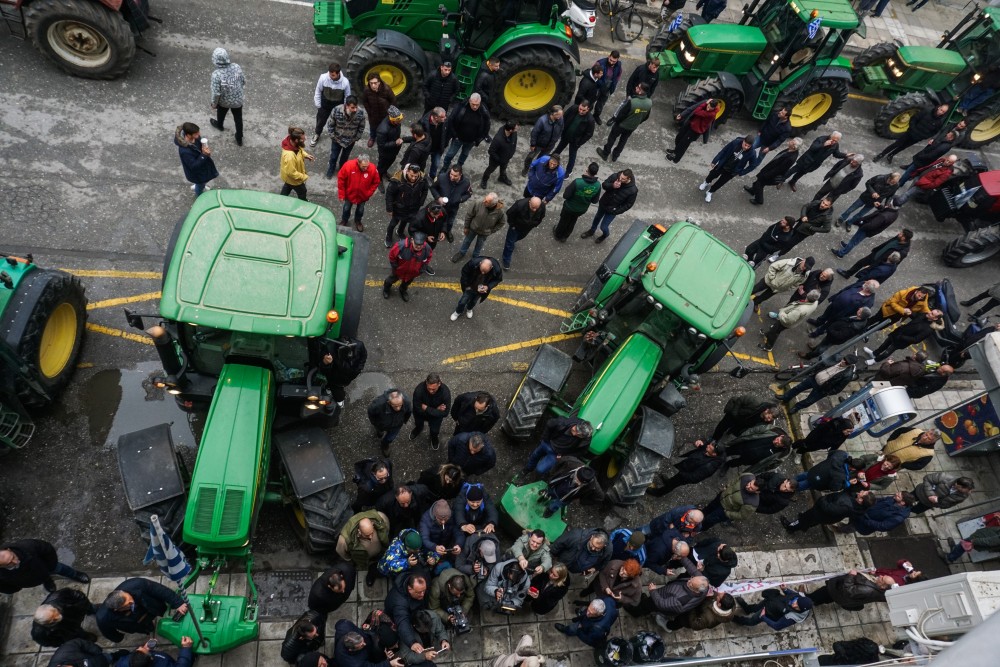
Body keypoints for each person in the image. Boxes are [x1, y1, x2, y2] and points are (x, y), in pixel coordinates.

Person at [96, 578, 188, 642]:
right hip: (137, 623)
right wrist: (118, 638)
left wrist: (178, 603)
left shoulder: (136, 584)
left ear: (123, 592)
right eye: (129, 604)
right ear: (117, 609)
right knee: (148, 628)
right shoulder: (103, 618)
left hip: (151, 607)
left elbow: (159, 590)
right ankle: (148, 628)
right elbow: (109, 633)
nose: (132, 603)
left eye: (130, 598)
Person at [0, 539, 90, 595]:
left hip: (46, 566)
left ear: (9, 550)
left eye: (13, 557)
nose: (15, 561)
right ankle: (48, 582)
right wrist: (18, 586)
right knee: (45, 579)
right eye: (9, 563)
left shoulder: (28, 546)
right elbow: (5, 588)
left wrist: (51, 565)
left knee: (62, 569)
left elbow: (47, 549)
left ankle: (75, 574)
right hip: (34, 579)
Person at [873, 103, 950, 164]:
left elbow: (934, 132)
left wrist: (923, 137)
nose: (941, 112)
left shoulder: (939, 122)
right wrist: (912, 129)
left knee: (903, 147)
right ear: (939, 107)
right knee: (896, 144)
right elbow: (914, 119)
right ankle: (882, 154)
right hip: (910, 133)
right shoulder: (927, 111)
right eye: (941, 110)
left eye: (943, 112)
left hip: (917, 138)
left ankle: (891, 155)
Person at [648, 438, 726, 497]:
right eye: (709, 444)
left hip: (686, 474)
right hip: (687, 463)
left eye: (709, 448)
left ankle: (658, 493)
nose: (708, 445)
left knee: (673, 483)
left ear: (714, 454)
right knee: (673, 479)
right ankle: (668, 481)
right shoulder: (712, 447)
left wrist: (682, 474)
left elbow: (694, 478)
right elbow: (708, 441)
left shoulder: (709, 467)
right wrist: (701, 441)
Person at [597, 82, 652, 162]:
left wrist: (616, 121)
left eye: (638, 87)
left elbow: (621, 115)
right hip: (632, 127)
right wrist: (637, 122)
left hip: (621, 125)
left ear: (640, 91)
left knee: (612, 137)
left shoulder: (632, 102)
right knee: (623, 141)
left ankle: (605, 153)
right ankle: (615, 156)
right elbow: (646, 117)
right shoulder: (649, 103)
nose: (636, 87)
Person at [783, 356, 860, 413]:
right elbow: (823, 363)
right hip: (813, 378)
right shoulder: (836, 359)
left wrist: (827, 392)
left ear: (850, 365)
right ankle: (786, 397)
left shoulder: (847, 375)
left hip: (822, 389)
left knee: (808, 401)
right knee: (798, 388)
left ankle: (796, 408)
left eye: (846, 362)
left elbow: (838, 389)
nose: (843, 362)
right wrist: (814, 372)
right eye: (844, 359)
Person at [522, 416, 594, 475]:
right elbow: (549, 424)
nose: (574, 434)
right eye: (575, 430)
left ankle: (545, 473)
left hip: (556, 454)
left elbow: (581, 452)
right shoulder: (563, 422)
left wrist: (564, 456)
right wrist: (545, 438)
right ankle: (527, 470)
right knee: (534, 456)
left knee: (540, 470)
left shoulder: (585, 440)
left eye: (579, 435)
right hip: (547, 443)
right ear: (577, 425)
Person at [581, 169, 638, 243]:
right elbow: (604, 185)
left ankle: (605, 235)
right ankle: (592, 230)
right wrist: (612, 185)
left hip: (613, 210)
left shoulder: (633, 190)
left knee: (603, 227)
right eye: (620, 177)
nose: (620, 179)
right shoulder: (615, 176)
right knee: (597, 218)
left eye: (623, 179)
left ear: (629, 179)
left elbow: (628, 204)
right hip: (604, 203)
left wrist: (616, 211)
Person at [781, 132, 851, 192]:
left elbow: (836, 154)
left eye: (836, 141)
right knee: (793, 170)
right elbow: (812, 148)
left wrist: (845, 155)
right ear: (830, 136)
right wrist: (823, 145)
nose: (834, 142)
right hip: (806, 160)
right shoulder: (821, 139)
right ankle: (782, 180)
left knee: (801, 173)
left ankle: (792, 182)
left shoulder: (835, 145)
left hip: (814, 164)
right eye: (833, 140)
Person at [782, 488, 875, 533]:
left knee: (804, 520)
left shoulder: (846, 507)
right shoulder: (856, 501)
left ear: (861, 500)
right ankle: (803, 525)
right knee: (809, 521)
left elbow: (827, 509)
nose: (862, 491)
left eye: (863, 493)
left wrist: (822, 499)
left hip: (820, 513)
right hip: (823, 516)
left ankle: (790, 527)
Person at [337, 510, 391, 586]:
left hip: (379, 553)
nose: (371, 537)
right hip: (362, 559)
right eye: (367, 535)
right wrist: (351, 560)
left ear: (372, 524)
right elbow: (342, 552)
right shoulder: (344, 540)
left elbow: (386, 529)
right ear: (359, 531)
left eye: (372, 533)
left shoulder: (380, 518)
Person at [834, 197, 900, 258]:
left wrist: (861, 224)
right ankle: (847, 247)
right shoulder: (895, 213)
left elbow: (871, 225)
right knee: (854, 240)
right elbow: (885, 211)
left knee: (854, 242)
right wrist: (880, 207)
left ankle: (841, 254)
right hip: (870, 230)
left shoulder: (883, 216)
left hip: (866, 230)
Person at [440, 95, 492, 174]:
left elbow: (486, 126)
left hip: (471, 141)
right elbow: (451, 120)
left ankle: (459, 167)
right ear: (469, 101)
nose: (475, 107)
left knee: (464, 154)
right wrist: (454, 135)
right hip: (458, 138)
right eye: (473, 104)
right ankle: (445, 166)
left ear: (480, 103)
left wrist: (478, 140)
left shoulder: (483, 111)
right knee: (450, 154)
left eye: (477, 105)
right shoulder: (461, 107)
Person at [807, 281, 878, 338]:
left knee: (829, 323)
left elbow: (859, 312)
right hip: (835, 304)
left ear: (867, 289)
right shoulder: (861, 284)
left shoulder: (868, 302)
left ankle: (817, 332)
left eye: (866, 283)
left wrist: (846, 319)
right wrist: (834, 297)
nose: (864, 282)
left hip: (841, 314)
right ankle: (818, 322)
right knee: (825, 315)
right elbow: (847, 288)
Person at [539, 457, 604, 518]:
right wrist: (552, 475)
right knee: (551, 492)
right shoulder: (571, 462)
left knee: (556, 504)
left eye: (581, 483)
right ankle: (547, 496)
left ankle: (550, 510)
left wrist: (583, 501)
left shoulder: (593, 485)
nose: (578, 483)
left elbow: (600, 497)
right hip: (559, 485)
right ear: (576, 472)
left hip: (568, 497)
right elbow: (559, 462)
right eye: (577, 480)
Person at [698, 134, 755, 203]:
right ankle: (706, 182)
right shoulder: (735, 142)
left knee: (720, 182)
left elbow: (752, 165)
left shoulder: (752, 153)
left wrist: (741, 172)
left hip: (731, 171)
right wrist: (715, 160)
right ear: (743, 141)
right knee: (712, 174)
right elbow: (724, 150)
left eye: (748, 146)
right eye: (745, 144)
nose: (746, 147)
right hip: (723, 164)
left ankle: (710, 192)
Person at [837, 229, 913, 280]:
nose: (898, 233)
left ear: (903, 238)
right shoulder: (898, 238)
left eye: (901, 234)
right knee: (860, 263)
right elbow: (887, 244)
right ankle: (847, 274)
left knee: (865, 274)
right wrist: (876, 250)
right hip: (875, 254)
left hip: (879, 262)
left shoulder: (903, 252)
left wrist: (877, 266)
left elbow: (893, 262)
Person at [31, 588, 96, 647]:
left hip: (73, 613)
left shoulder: (58, 596)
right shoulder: (39, 633)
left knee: (90, 608)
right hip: (66, 630)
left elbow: (78, 595)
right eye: (53, 619)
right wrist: (65, 641)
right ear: (45, 624)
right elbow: (48, 642)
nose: (58, 617)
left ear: (52, 607)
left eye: (55, 612)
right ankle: (84, 637)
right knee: (75, 634)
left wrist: (84, 608)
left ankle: (91, 610)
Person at [746, 138, 802, 205]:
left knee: (759, 183)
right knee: (759, 182)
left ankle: (759, 200)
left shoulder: (790, 158)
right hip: (770, 169)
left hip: (771, 174)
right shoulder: (790, 150)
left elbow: (779, 169)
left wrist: (766, 175)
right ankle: (753, 190)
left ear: (794, 146)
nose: (790, 141)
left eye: (792, 142)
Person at [384, 164, 429, 248]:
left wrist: (421, 202)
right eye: (411, 175)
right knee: (393, 223)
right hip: (398, 208)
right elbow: (389, 195)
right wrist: (389, 209)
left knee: (405, 221)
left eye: (416, 176)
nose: (413, 178)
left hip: (413, 207)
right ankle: (388, 236)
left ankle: (400, 232)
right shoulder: (397, 180)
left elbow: (425, 190)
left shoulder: (422, 179)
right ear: (407, 171)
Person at [872, 310, 945, 361]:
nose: (929, 312)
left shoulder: (929, 329)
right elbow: (915, 317)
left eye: (932, 313)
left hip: (901, 341)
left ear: (935, 318)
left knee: (887, 352)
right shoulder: (924, 315)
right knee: (885, 344)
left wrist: (901, 337)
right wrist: (909, 312)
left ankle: (875, 360)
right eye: (931, 311)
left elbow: (916, 339)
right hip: (897, 333)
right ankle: (875, 353)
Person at [453, 192, 507, 262]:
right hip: (473, 228)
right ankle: (461, 252)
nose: (484, 201)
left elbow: (501, 222)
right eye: (485, 198)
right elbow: (469, 215)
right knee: (467, 241)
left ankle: (475, 258)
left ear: (493, 204)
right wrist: (466, 227)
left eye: (487, 202)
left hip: (484, 233)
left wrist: (492, 230)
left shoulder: (500, 212)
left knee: (479, 245)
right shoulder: (478, 203)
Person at [837, 172, 901, 229]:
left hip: (874, 203)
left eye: (895, 182)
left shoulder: (895, 185)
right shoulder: (879, 178)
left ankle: (849, 222)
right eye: (893, 181)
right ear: (890, 178)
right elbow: (868, 183)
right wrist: (873, 192)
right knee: (851, 209)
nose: (894, 183)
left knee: (860, 215)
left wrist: (886, 205)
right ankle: (842, 219)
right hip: (865, 197)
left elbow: (890, 196)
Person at [555, 162, 601, 241]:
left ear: (587, 169)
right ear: (596, 173)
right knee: (572, 221)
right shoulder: (597, 185)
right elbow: (594, 201)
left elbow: (566, 195)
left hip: (569, 207)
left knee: (563, 221)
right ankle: (565, 236)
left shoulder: (577, 182)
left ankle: (558, 235)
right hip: (581, 209)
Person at [208, 47, 245, 146]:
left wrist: (214, 103)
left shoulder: (216, 74)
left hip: (224, 101)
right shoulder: (236, 67)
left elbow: (216, 93)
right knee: (238, 118)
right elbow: (243, 80)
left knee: (221, 113)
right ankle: (239, 137)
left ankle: (220, 125)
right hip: (237, 100)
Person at [383, 231, 433, 303]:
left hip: (412, 273)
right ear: (412, 240)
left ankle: (402, 290)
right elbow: (392, 256)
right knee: (390, 280)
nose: (418, 246)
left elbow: (428, 258)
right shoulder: (400, 246)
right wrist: (395, 267)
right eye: (416, 244)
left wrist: (422, 269)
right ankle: (386, 289)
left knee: (406, 283)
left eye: (421, 244)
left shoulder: (427, 249)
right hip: (399, 271)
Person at [325, 95, 368, 178]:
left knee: (345, 158)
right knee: (333, 156)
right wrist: (332, 136)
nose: (355, 109)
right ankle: (331, 169)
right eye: (352, 107)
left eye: (356, 107)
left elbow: (361, 127)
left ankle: (343, 170)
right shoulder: (336, 110)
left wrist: (357, 137)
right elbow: (330, 124)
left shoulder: (360, 113)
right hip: (337, 139)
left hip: (350, 141)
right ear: (346, 106)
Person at [734, 587, 814, 631]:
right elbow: (792, 595)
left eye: (797, 607)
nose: (794, 604)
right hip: (771, 601)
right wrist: (785, 590)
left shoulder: (791, 618)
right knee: (756, 607)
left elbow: (777, 626)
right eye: (796, 602)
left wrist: (763, 617)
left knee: (752, 621)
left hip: (767, 613)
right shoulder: (801, 597)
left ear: (801, 610)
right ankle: (747, 609)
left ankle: (737, 620)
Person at [450, 257, 504, 322]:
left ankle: (469, 309)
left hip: (480, 290)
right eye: (482, 270)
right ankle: (458, 312)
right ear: (480, 263)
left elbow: (498, 279)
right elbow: (464, 273)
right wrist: (467, 286)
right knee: (463, 301)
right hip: (470, 287)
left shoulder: (497, 269)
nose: (483, 273)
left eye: (485, 271)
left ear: (491, 267)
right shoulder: (472, 263)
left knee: (473, 301)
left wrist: (488, 287)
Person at [666, 98, 718, 164]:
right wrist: (682, 115)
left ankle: (676, 159)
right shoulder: (707, 104)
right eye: (708, 106)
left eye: (710, 108)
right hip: (690, 124)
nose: (708, 109)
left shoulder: (711, 114)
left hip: (695, 131)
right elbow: (692, 107)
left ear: (714, 108)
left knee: (683, 144)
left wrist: (705, 104)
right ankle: (675, 151)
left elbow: (697, 111)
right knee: (679, 137)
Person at [808, 570, 893, 611]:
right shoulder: (880, 589)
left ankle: (807, 601)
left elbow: (848, 590)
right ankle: (813, 602)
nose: (880, 576)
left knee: (821, 594)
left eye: (882, 578)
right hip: (840, 596)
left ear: (882, 586)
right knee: (826, 599)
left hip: (837, 591)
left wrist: (851, 576)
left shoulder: (867, 590)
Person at [576, 558, 643, 608]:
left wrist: (622, 598)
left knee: (596, 607)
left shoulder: (636, 586)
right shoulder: (614, 564)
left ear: (631, 576)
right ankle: (587, 591)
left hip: (610, 600)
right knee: (591, 588)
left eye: (625, 574)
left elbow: (635, 601)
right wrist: (606, 587)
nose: (621, 573)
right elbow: (602, 573)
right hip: (599, 586)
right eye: (622, 569)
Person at [312, 62, 352, 146]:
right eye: (330, 74)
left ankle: (337, 139)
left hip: (337, 106)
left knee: (338, 123)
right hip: (325, 104)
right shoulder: (323, 78)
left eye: (333, 75)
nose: (330, 76)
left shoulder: (345, 82)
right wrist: (318, 105)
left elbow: (347, 97)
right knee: (320, 121)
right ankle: (317, 134)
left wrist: (344, 109)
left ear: (338, 74)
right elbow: (318, 91)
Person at [337, 154, 380, 232]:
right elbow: (341, 179)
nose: (366, 168)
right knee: (346, 208)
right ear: (358, 162)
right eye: (364, 166)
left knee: (360, 210)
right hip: (349, 194)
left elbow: (376, 182)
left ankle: (358, 221)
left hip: (363, 196)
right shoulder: (348, 166)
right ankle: (344, 220)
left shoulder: (372, 168)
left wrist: (368, 193)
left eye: (367, 166)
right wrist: (342, 194)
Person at [431, 165, 473, 242]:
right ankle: (435, 232)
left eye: (455, 176)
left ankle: (448, 231)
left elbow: (469, 193)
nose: (452, 177)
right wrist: (438, 198)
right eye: (451, 174)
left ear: (460, 175)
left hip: (453, 207)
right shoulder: (441, 177)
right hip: (440, 206)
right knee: (436, 219)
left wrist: (460, 199)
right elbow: (433, 187)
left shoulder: (466, 183)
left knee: (450, 222)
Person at [174, 122, 218, 195]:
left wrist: (204, 149)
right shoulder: (185, 151)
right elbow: (193, 166)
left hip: (202, 167)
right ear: (188, 135)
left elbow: (199, 147)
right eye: (196, 134)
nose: (199, 135)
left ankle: (198, 185)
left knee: (201, 182)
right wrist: (204, 155)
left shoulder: (195, 137)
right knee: (200, 184)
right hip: (197, 174)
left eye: (198, 132)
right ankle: (199, 195)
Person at [502, 196, 545, 270]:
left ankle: (511, 244)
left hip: (527, 228)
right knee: (510, 243)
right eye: (533, 207)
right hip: (515, 227)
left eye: (536, 208)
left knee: (520, 237)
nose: (534, 210)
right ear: (529, 202)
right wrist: (512, 225)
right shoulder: (519, 205)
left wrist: (535, 224)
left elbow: (541, 216)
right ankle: (506, 260)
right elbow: (509, 213)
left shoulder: (542, 206)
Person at [553, 99, 596, 174]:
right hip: (566, 135)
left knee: (572, 157)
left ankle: (568, 172)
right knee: (558, 149)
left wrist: (579, 143)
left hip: (575, 141)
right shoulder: (573, 108)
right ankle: (550, 160)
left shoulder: (590, 120)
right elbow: (565, 117)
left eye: (583, 110)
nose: (581, 111)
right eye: (580, 109)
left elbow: (589, 134)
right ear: (579, 105)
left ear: (588, 109)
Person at [410, 373, 452, 451]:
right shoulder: (419, 390)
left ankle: (434, 438)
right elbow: (418, 409)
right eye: (429, 388)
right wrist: (436, 410)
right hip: (421, 414)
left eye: (433, 389)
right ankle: (418, 429)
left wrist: (426, 408)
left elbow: (445, 413)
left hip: (435, 417)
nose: (430, 391)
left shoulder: (445, 393)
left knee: (435, 431)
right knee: (418, 424)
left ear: (439, 384)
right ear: (426, 382)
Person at [711, 394, 777, 441]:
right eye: (768, 417)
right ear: (767, 411)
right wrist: (734, 414)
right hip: (734, 417)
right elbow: (741, 399)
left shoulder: (767, 421)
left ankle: (730, 431)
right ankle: (714, 438)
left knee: (733, 430)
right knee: (722, 427)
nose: (768, 420)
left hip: (741, 425)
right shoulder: (755, 402)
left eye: (770, 419)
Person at [722, 426, 794, 468]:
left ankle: (727, 465)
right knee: (729, 450)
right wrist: (744, 436)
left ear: (783, 446)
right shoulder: (772, 430)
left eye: (779, 443)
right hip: (744, 445)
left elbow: (772, 466)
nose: (776, 441)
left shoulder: (780, 454)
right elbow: (755, 430)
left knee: (737, 463)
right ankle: (719, 456)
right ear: (781, 436)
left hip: (749, 459)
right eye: (778, 439)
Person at [367, 389, 412, 455]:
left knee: (390, 438)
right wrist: (374, 423)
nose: (398, 408)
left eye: (400, 405)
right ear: (389, 402)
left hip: (396, 425)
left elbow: (409, 412)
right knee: (379, 431)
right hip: (381, 425)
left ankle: (384, 445)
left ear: (402, 400)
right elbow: (370, 412)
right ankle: (379, 431)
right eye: (395, 406)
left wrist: (404, 421)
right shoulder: (378, 405)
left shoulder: (407, 402)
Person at [522, 106, 565, 175]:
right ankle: (526, 168)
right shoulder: (542, 120)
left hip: (550, 145)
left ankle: (535, 169)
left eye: (561, 114)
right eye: (559, 115)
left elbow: (561, 129)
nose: (561, 116)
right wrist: (533, 144)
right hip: (538, 144)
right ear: (553, 114)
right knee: (530, 157)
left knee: (542, 159)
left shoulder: (560, 119)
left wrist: (556, 139)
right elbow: (535, 132)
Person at [406, 203, 446, 276]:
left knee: (427, 254)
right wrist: (426, 237)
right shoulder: (419, 218)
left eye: (438, 215)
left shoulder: (441, 211)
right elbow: (412, 230)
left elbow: (444, 221)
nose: (437, 217)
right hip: (421, 241)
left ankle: (424, 266)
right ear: (429, 211)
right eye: (434, 215)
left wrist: (443, 231)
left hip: (433, 240)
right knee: (416, 255)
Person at [850, 491, 916, 535]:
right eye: (898, 493)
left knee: (852, 526)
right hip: (863, 514)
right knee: (851, 520)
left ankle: (847, 529)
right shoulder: (893, 498)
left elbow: (883, 526)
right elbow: (879, 500)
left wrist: (866, 521)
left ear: (902, 503)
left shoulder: (898, 517)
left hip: (864, 525)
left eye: (898, 496)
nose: (896, 494)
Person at [360, 73, 396, 149]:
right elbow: (364, 101)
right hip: (373, 114)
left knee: (386, 128)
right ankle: (372, 138)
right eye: (371, 83)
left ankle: (384, 140)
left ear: (379, 82)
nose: (373, 85)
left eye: (375, 83)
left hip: (385, 114)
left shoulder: (386, 89)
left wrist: (390, 112)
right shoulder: (367, 90)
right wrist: (369, 111)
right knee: (373, 127)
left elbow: (393, 100)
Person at [667, 591, 736, 631]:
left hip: (688, 618)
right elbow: (715, 595)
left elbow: (695, 625)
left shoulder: (708, 618)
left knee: (678, 622)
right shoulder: (731, 605)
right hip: (698, 608)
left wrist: (692, 606)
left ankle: (668, 626)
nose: (718, 593)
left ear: (719, 604)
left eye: (719, 596)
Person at [279, 127, 315, 201]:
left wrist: (305, 155)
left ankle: (280, 201)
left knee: (288, 186)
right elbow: (291, 173)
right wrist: (304, 177)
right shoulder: (290, 156)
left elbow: (299, 151)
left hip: (289, 178)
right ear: (296, 140)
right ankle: (303, 203)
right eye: (302, 139)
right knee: (302, 191)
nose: (304, 139)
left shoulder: (293, 144)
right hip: (295, 179)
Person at [374, 106, 406, 188]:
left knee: (389, 162)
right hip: (385, 152)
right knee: (381, 166)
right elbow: (382, 145)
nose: (400, 122)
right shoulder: (382, 129)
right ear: (392, 119)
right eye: (398, 121)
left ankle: (384, 172)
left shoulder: (397, 122)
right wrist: (395, 143)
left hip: (394, 150)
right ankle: (378, 179)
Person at [113, 637, 195, 667]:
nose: (142, 647)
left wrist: (146, 648)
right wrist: (186, 648)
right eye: (144, 649)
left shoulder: (123, 663)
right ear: (151, 658)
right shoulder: (163, 664)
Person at [482, 121, 518, 189]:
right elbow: (491, 151)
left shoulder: (514, 133)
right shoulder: (498, 139)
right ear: (510, 130)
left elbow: (514, 144)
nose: (517, 129)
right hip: (496, 160)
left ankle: (502, 178)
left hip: (506, 158)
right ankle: (484, 180)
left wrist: (511, 154)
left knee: (503, 169)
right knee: (490, 170)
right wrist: (499, 160)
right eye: (515, 128)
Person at [592, 51, 623, 124]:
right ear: (609, 56)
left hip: (607, 88)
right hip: (597, 87)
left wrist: (614, 84)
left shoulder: (618, 66)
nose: (612, 62)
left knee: (601, 104)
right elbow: (593, 73)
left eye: (614, 61)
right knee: (590, 102)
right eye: (610, 60)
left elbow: (618, 75)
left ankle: (596, 116)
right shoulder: (600, 63)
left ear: (617, 59)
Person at [420, 106, 449, 180]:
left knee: (436, 164)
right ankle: (420, 175)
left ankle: (432, 176)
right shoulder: (423, 122)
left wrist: (445, 144)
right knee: (422, 163)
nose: (445, 118)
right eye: (443, 117)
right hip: (427, 148)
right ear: (436, 117)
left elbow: (448, 133)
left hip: (438, 149)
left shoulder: (444, 121)